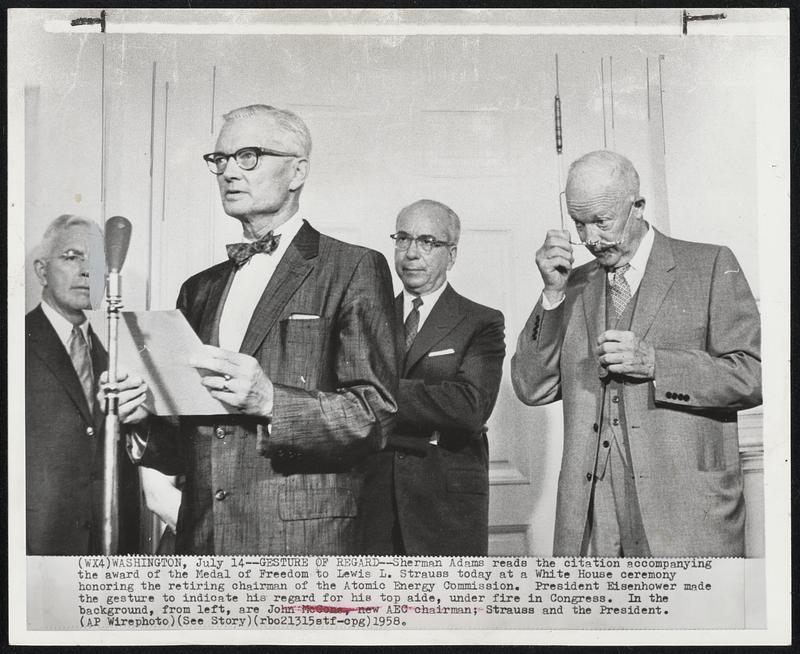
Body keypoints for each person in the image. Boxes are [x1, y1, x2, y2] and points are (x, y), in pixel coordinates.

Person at [114, 104, 398, 555]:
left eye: (249, 156)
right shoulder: (199, 289)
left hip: (303, 543)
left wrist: (270, 400)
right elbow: (184, 440)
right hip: (204, 539)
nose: (229, 172)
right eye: (221, 159)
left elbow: (373, 415)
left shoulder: (354, 267)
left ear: (297, 171)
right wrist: (141, 418)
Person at [511, 150, 762, 557]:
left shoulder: (711, 264)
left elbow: (754, 374)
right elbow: (530, 386)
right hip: (593, 517)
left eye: (602, 221)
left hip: (684, 511)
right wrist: (552, 295)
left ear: (638, 206)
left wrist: (657, 364)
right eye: (579, 224)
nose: (590, 238)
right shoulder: (571, 284)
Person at [359, 199, 505, 555]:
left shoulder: (481, 321)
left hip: (446, 507)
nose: (410, 253)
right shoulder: (365, 319)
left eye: (427, 242)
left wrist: (374, 391)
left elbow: (469, 408)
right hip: (373, 501)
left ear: (451, 255)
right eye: (403, 239)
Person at [25, 215, 141, 554]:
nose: (85, 271)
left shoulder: (117, 355)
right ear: (42, 270)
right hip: (38, 545)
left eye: (95, 261)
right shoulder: (15, 343)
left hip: (109, 546)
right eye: (72, 257)